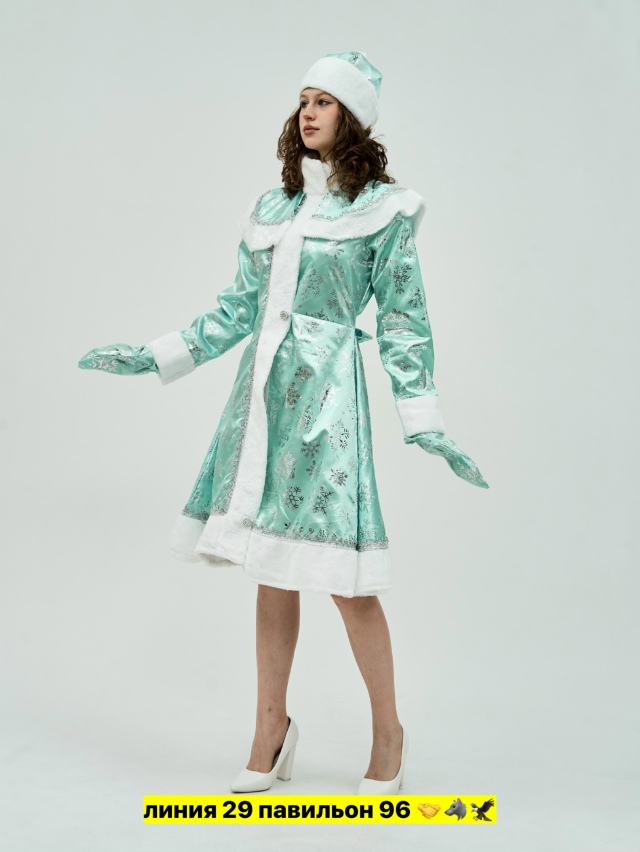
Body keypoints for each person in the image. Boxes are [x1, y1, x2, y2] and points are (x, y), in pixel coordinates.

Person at [78, 51, 489, 795]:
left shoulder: (383, 211)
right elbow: (236, 310)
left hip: (328, 404)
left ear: (352, 118)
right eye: (303, 99)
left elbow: (403, 319)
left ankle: (388, 733)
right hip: (263, 399)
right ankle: (271, 728)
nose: (308, 111)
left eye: (324, 100)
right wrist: (156, 355)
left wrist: (421, 414)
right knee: (270, 568)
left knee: (347, 582)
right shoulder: (274, 208)